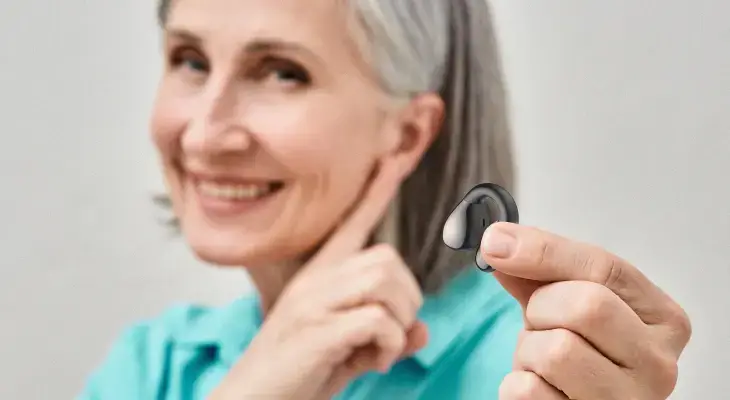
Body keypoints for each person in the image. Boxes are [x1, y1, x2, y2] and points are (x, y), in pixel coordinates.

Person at [78, 0, 692, 399]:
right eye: (189, 60)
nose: (203, 134)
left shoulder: (542, 364)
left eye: (282, 71)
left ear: (408, 132)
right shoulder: (152, 369)